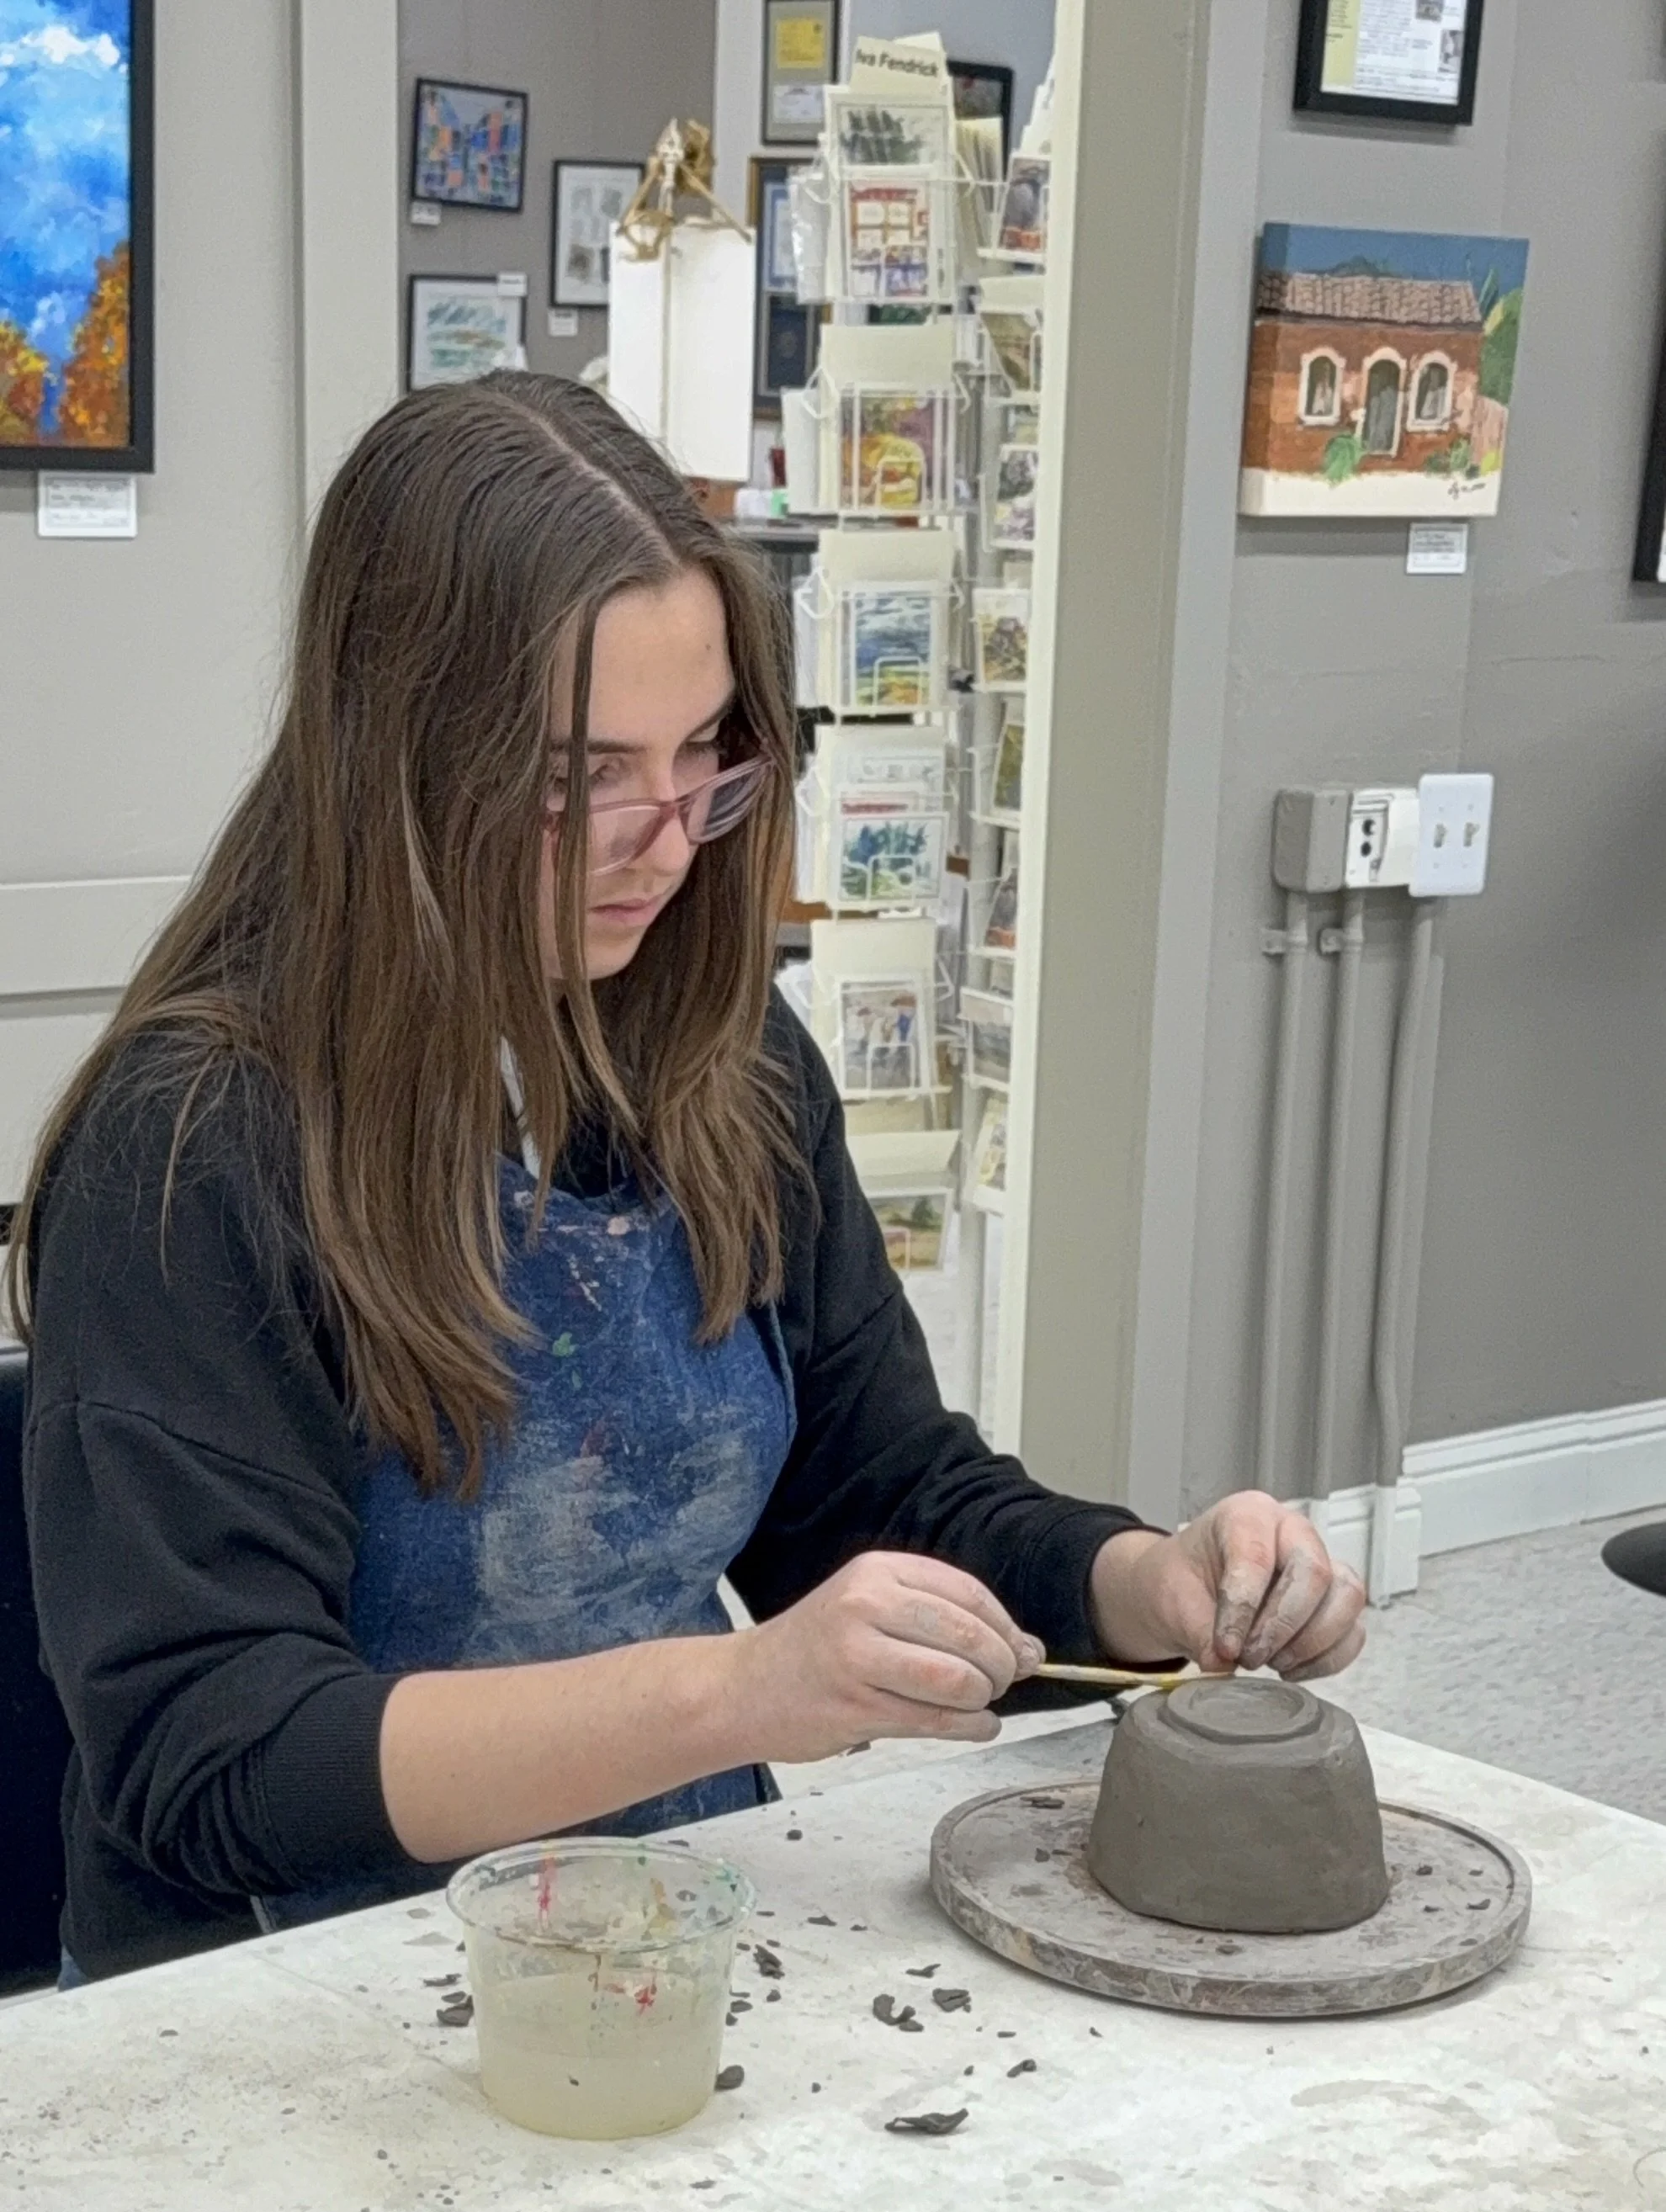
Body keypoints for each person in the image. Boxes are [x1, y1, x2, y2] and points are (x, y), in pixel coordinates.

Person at [8, 377, 1366, 1982]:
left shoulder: (727, 1070)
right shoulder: (194, 1155)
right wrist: (736, 1693)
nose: (664, 842)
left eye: (705, 763)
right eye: (580, 777)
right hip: (285, 1982)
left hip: (668, 1915)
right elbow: (211, 1753)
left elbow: (878, 1500)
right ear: (395, 761)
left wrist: (1145, 1580)